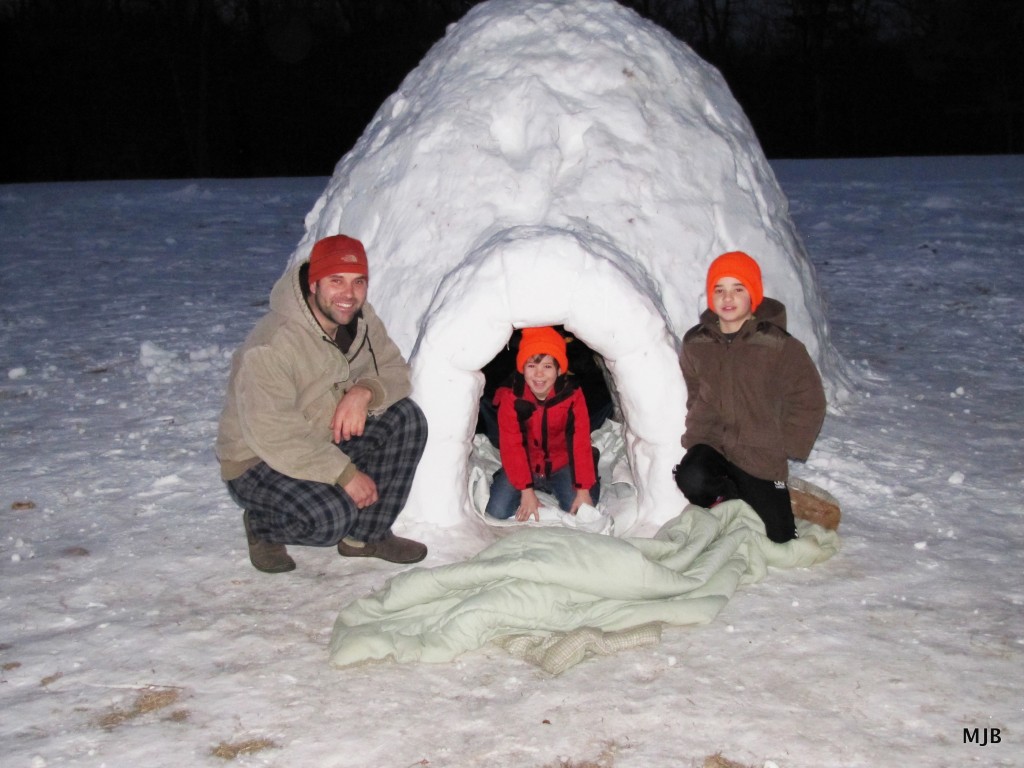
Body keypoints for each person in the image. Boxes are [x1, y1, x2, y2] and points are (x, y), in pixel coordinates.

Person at [216, 234, 428, 573]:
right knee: (331, 518)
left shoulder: (361, 319)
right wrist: (344, 474)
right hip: (256, 458)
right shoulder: (272, 346)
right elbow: (273, 433)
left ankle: (365, 537)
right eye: (336, 281)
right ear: (314, 283)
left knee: (406, 417)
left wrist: (364, 392)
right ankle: (262, 525)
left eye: (358, 282)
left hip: (319, 435)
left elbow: (395, 371)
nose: (349, 294)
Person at [674, 250, 826, 543]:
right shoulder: (696, 342)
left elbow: (809, 398)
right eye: (719, 290)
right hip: (713, 445)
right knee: (691, 476)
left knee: (779, 537)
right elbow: (694, 389)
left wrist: (786, 443)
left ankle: (769, 496)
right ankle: (731, 498)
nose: (727, 298)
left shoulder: (778, 345)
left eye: (738, 289)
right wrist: (698, 428)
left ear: (753, 295)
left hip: (760, 453)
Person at [485, 326, 600, 522]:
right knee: (497, 510)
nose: (539, 375)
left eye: (547, 366)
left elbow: (579, 442)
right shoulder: (512, 397)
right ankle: (512, 475)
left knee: (581, 509)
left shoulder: (571, 396)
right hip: (526, 463)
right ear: (522, 369)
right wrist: (526, 491)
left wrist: (583, 489)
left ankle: (590, 472)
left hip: (562, 463)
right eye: (531, 366)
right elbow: (512, 446)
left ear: (559, 370)